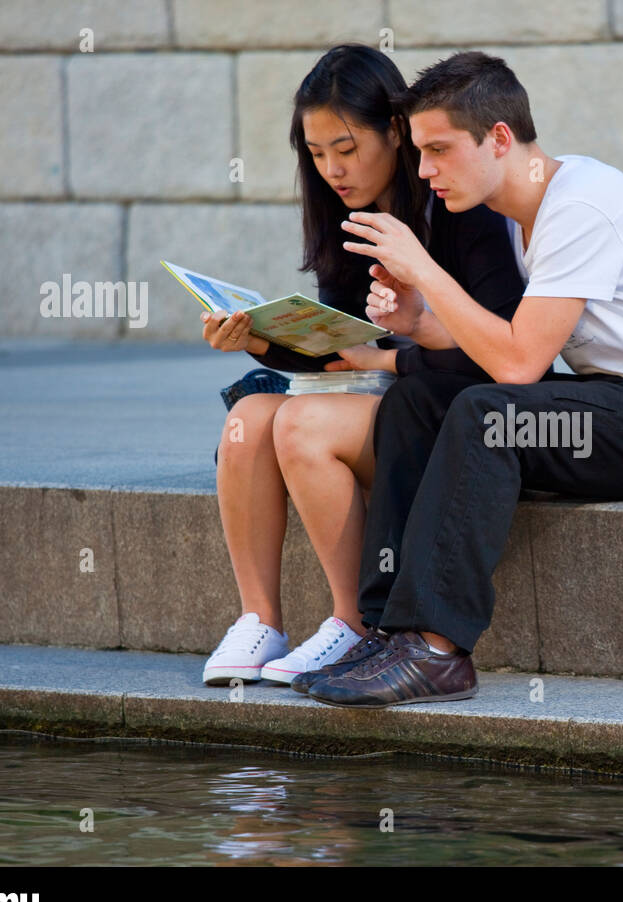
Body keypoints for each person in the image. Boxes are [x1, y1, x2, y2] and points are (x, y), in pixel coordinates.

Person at [300, 51, 623, 708]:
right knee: (420, 401)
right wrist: (420, 323)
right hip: (615, 403)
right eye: (419, 151)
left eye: (440, 150)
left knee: (492, 415)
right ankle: (387, 628)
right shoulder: (521, 216)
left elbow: (517, 366)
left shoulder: (581, 205)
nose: (423, 170)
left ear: (500, 139)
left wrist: (423, 268)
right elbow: (505, 340)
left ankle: (437, 651)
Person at [199, 45, 524, 686]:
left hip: (443, 410)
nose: (332, 170)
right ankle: (259, 619)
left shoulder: (461, 206)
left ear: (395, 130)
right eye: (316, 155)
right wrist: (257, 340)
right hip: (372, 394)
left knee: (301, 426)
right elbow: (340, 345)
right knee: (249, 418)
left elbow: (505, 354)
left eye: (345, 149)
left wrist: (398, 350)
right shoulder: (350, 217)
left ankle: (354, 623)